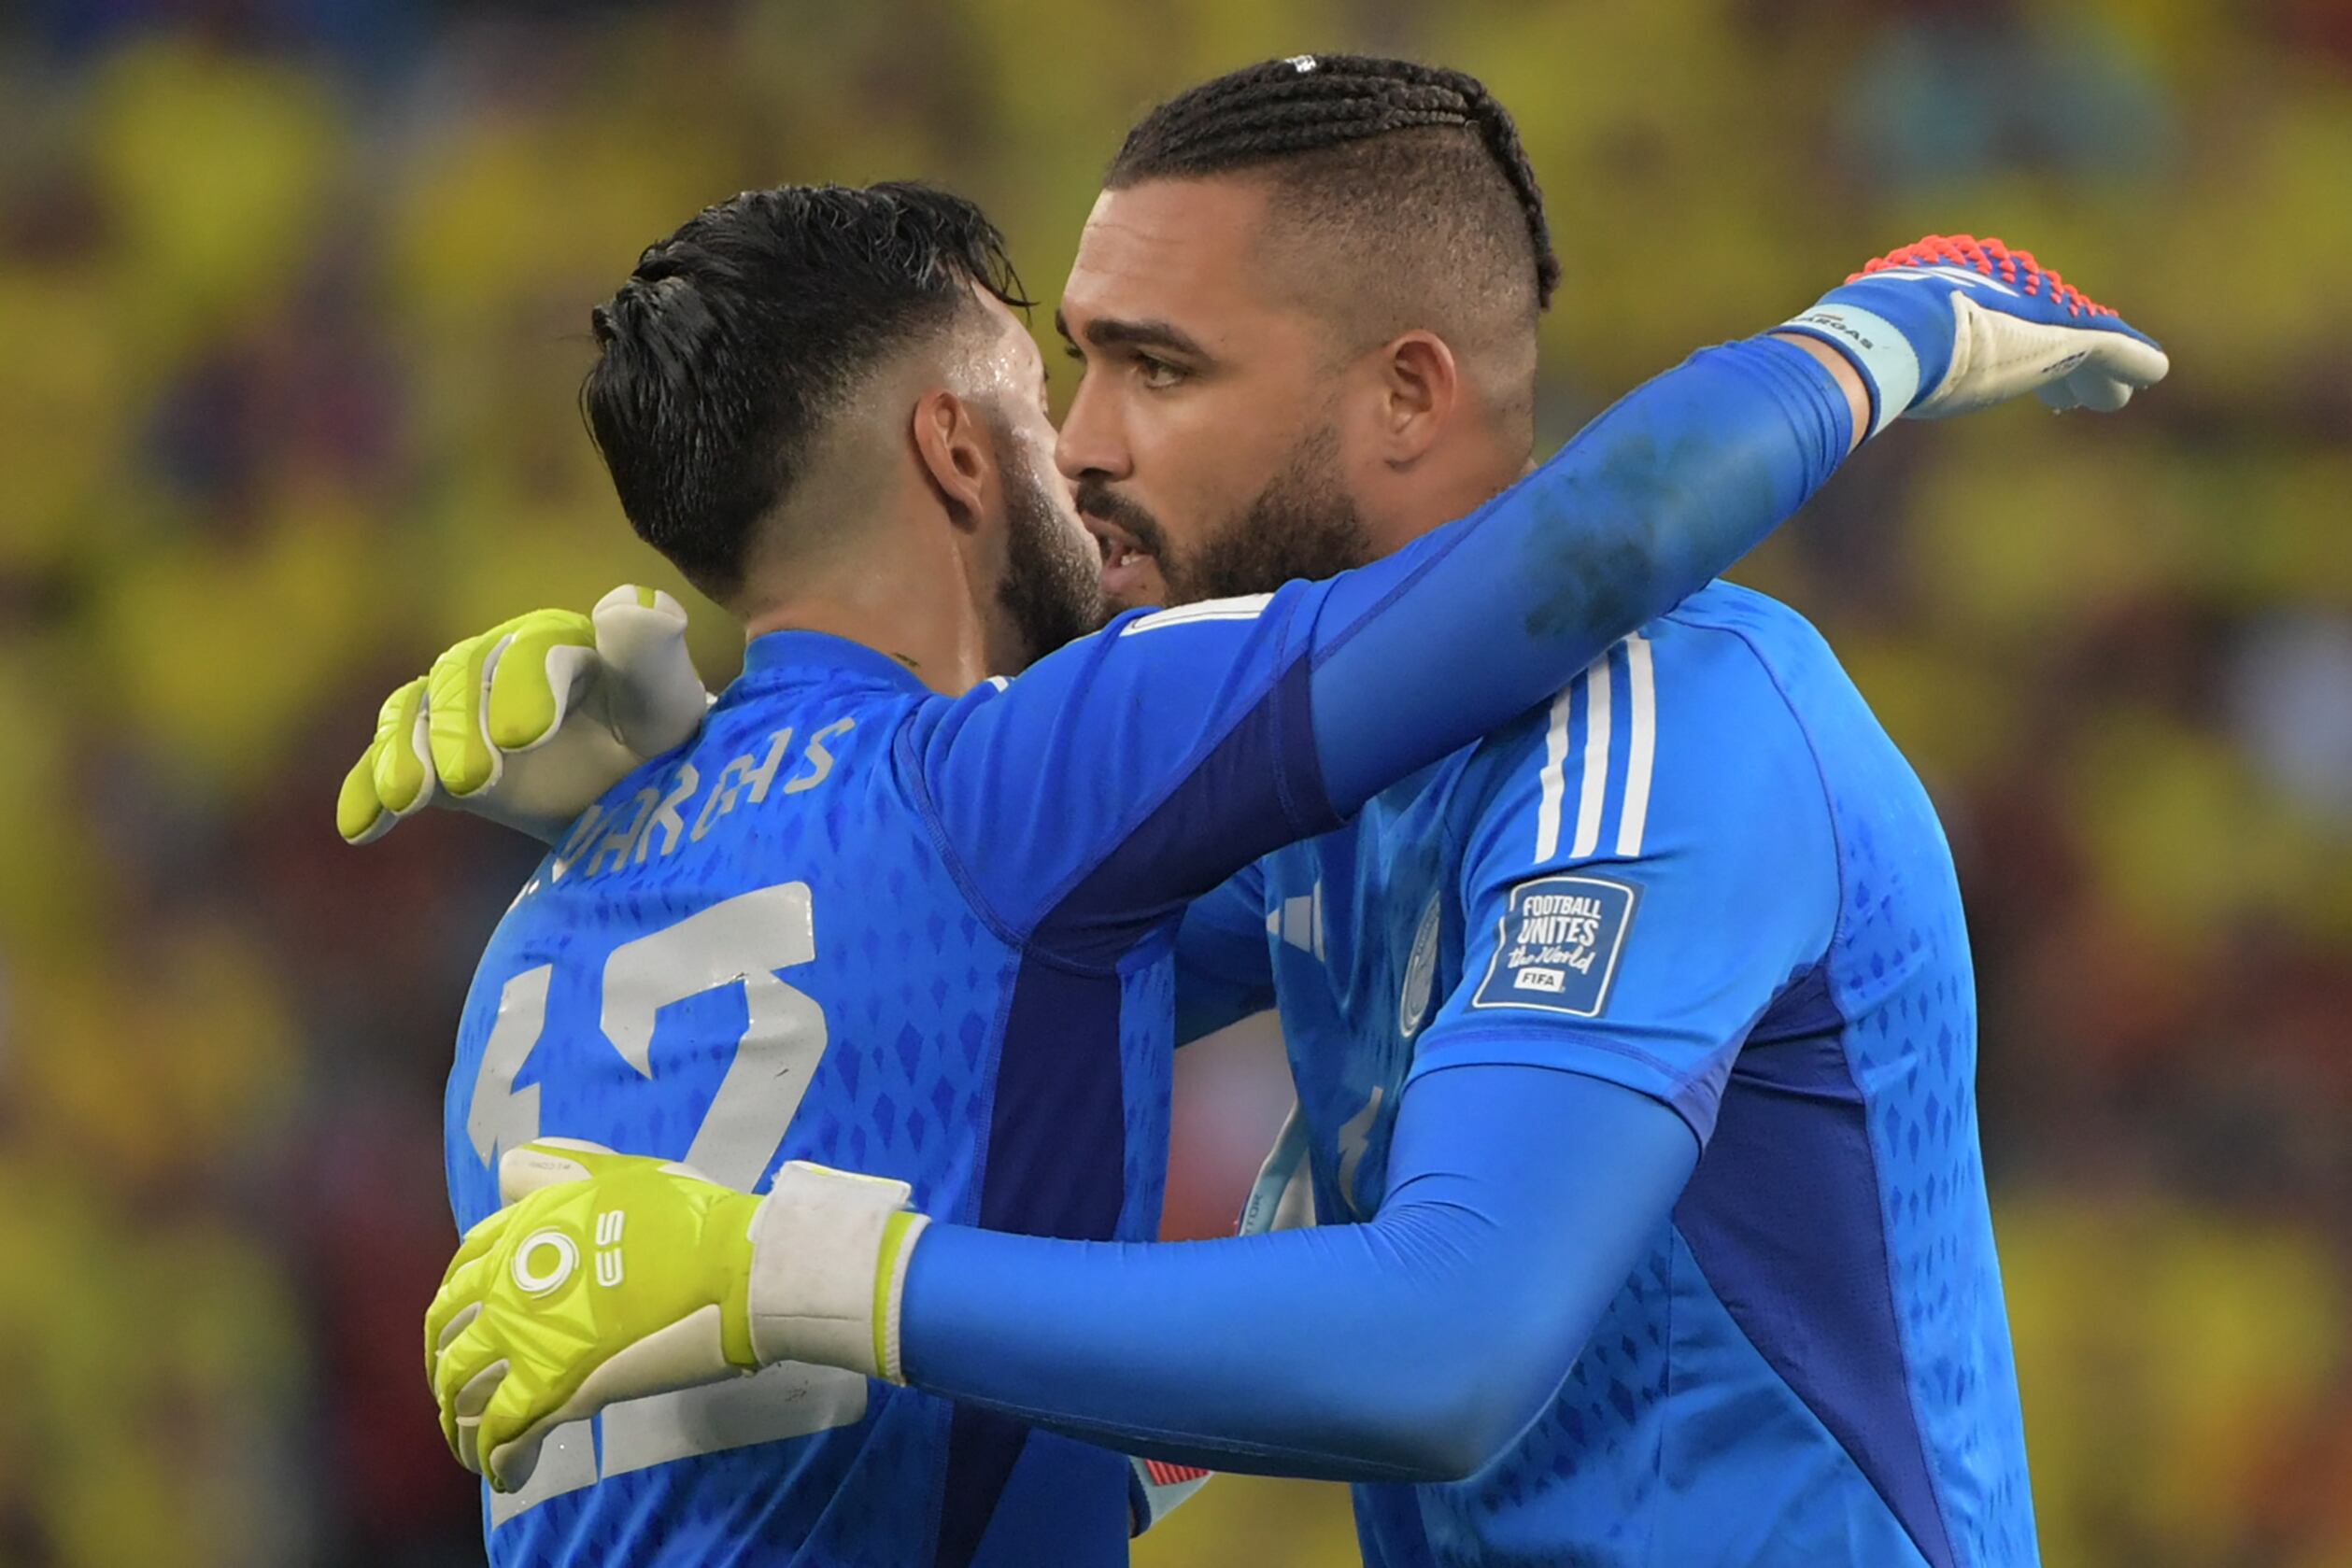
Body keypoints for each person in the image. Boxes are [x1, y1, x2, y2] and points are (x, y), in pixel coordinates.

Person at [372, 58, 2164, 1568]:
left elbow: (1446, 1346)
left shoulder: (1663, 716)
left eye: (1156, 369)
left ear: (1403, 395)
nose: (1074, 446)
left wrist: (805, 1270)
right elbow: (955, 986)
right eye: (1070, 365)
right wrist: (684, 812)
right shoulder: (1303, 800)